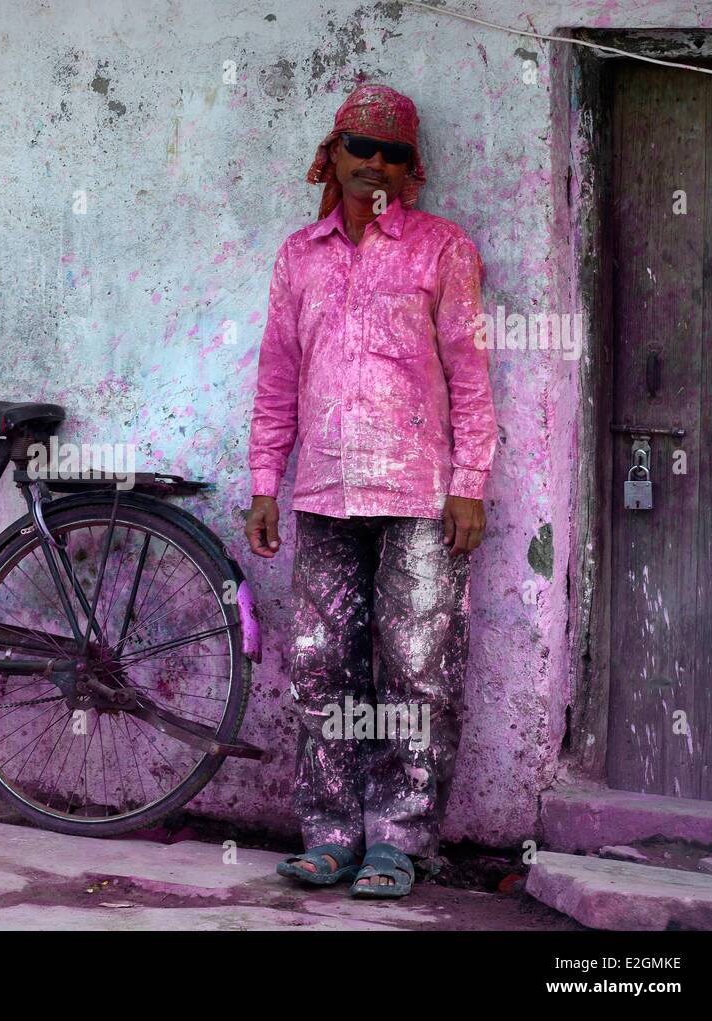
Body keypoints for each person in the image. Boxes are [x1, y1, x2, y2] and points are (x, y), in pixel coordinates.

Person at [244, 84, 497, 899]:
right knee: (323, 668)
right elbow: (278, 375)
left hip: (420, 497)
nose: (374, 164)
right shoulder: (298, 255)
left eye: (392, 152)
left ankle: (399, 840)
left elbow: (470, 371)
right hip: (321, 493)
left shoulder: (442, 249)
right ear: (334, 154)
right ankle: (329, 834)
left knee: (416, 670)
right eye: (361, 146)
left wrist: (471, 483)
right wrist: (263, 483)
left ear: (410, 169)